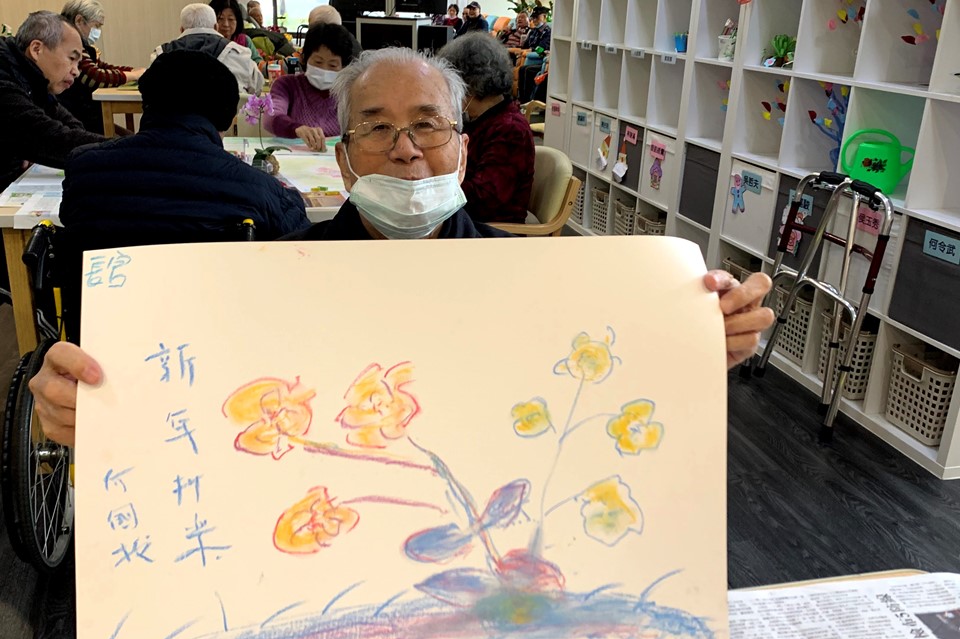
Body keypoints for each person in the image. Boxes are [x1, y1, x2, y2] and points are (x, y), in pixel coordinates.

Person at [28, 46, 775, 446]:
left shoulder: (532, 282)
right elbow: (201, 401)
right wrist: (96, 407)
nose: (406, 149)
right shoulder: (273, 279)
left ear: (463, 147)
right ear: (344, 159)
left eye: (428, 124)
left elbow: (589, 394)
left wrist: (684, 346)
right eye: (377, 127)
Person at [55, 49, 310, 343]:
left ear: (146, 102)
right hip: (222, 345)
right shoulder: (260, 189)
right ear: (225, 117)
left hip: (102, 344)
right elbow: (304, 259)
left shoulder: (84, 170)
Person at [0, 10, 102, 192]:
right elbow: (51, 137)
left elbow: (70, 126)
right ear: (36, 49)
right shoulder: (4, 78)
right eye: (72, 58)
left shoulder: (33, 78)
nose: (76, 71)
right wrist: (132, 149)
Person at [438, 33, 533, 224]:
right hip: (467, 217)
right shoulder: (480, 119)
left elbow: (485, 199)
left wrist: (433, 187)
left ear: (470, 84)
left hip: (490, 229)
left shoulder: (510, 129)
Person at [265, 23, 359, 151]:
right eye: (318, 62)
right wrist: (296, 129)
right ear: (304, 59)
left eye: (332, 65)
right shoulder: (286, 85)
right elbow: (271, 116)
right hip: (294, 156)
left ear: (343, 67)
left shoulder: (350, 91)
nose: (324, 69)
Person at [57, 0, 146, 134]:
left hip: (85, 117)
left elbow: (102, 67)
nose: (98, 31)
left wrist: (131, 70)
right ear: (79, 20)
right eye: (96, 26)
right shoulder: (68, 44)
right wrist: (133, 75)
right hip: (76, 120)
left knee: (130, 136)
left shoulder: (82, 46)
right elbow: (96, 77)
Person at [152, 3, 263, 94]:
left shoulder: (160, 54)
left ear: (182, 30)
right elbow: (257, 88)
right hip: (225, 114)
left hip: (172, 114)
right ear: (216, 27)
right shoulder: (240, 54)